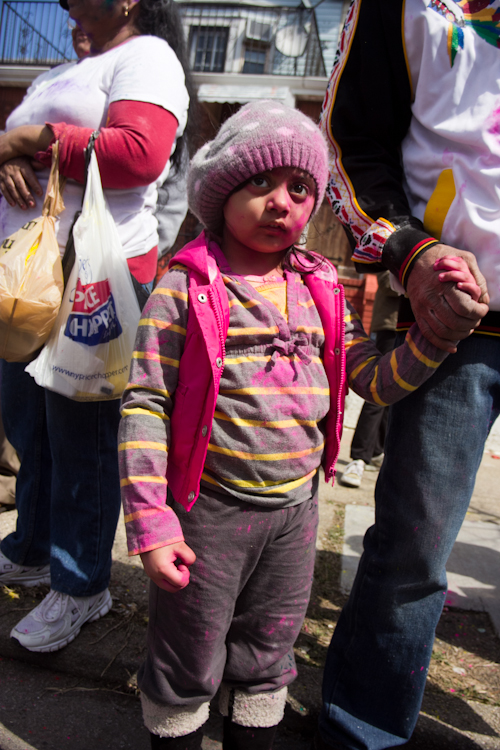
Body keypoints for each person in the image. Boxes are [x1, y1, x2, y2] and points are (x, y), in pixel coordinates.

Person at [117, 101, 480, 750]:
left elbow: (374, 380)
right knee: (187, 659)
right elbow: (145, 402)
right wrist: (151, 521)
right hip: (210, 515)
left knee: (267, 655)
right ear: (222, 191)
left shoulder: (324, 289)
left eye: (300, 187)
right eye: (261, 182)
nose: (282, 201)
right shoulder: (187, 286)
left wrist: (437, 337)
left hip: (295, 516)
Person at [316, 1, 496, 748]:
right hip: (449, 322)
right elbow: (350, 142)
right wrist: (409, 253)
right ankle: (363, 729)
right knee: (414, 547)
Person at [0, 0, 193, 653]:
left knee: (81, 437)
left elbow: (138, 156)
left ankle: (82, 585)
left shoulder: (148, 58)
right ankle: (30, 549)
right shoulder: (58, 72)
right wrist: (8, 159)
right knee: (28, 426)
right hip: (26, 276)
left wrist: (31, 141)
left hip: (93, 274)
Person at [340, 271, 399, 488]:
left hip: (422, 325)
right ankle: (358, 458)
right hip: (392, 325)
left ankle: (376, 452)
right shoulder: (399, 236)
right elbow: (385, 280)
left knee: (397, 394)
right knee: (378, 390)